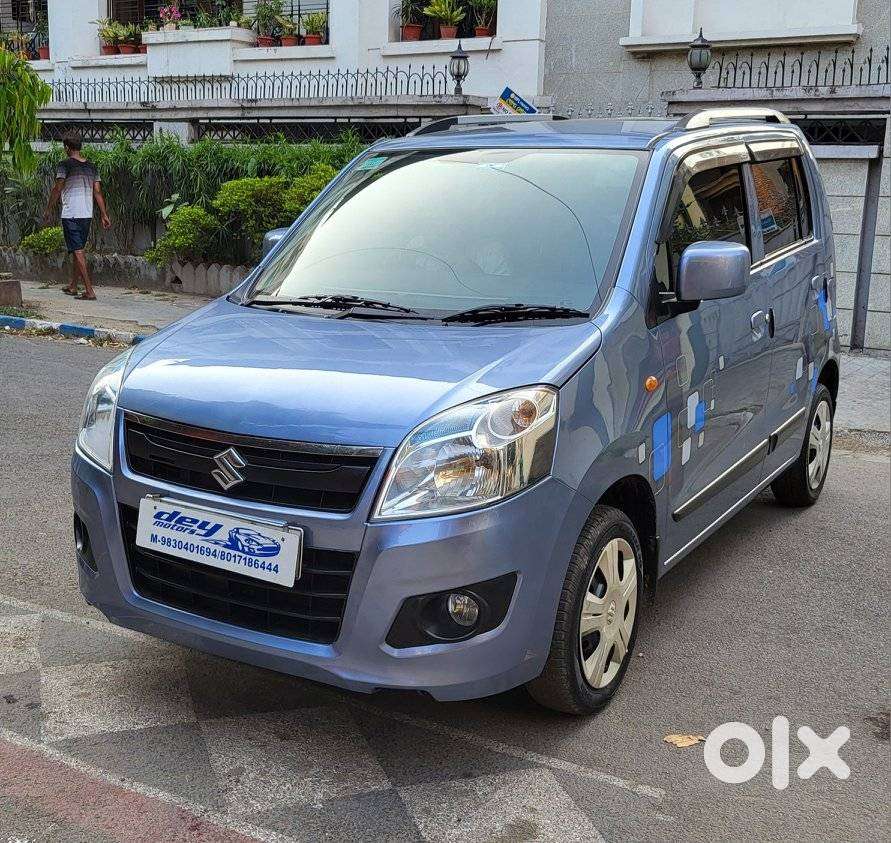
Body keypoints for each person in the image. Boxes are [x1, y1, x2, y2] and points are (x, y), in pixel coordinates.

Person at [43, 133, 111, 300]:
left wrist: (48, 209)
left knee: (78, 251)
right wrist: (104, 214)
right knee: (77, 249)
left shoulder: (64, 165)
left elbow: (57, 189)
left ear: (67, 147)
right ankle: (73, 286)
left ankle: (89, 290)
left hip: (71, 213)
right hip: (86, 214)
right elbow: (97, 191)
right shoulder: (92, 167)